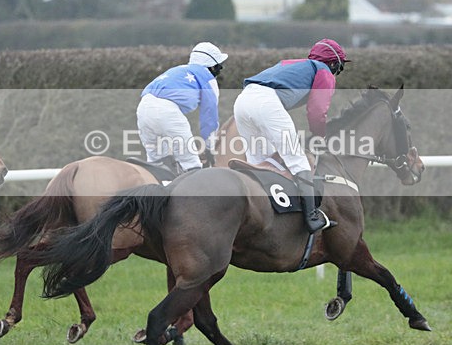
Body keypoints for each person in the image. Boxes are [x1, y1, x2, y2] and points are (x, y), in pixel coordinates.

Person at [233, 38, 349, 234]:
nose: (337, 72)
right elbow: (317, 110)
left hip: (242, 101)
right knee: (298, 161)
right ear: (334, 63)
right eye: (340, 67)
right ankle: (312, 218)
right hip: (266, 102)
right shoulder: (324, 72)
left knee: (262, 163)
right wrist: (319, 135)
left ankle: (262, 214)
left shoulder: (293, 63)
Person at [137, 42, 228, 173]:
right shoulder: (208, 79)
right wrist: (209, 148)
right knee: (191, 164)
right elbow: (209, 118)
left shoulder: (178, 69)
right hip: (166, 111)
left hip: (143, 107)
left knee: (157, 164)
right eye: (219, 66)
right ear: (212, 66)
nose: (220, 69)